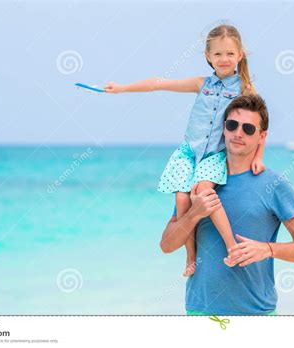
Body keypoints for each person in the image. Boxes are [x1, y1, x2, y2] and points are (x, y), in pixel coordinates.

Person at [104, 25, 265, 276]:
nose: (224, 59)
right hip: (189, 152)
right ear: (208, 57)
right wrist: (122, 88)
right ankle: (191, 254)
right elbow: (158, 84)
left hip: (214, 154)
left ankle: (232, 245)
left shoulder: (244, 89)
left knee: (202, 193)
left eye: (230, 54)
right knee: (181, 198)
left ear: (240, 55)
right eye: (218, 54)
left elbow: (261, 124)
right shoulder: (201, 83)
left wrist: (258, 157)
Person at [160, 94, 294, 315]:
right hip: (200, 311)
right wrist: (194, 213)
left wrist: (267, 249)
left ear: (262, 136)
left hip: (256, 314)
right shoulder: (198, 181)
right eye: (232, 125)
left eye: (248, 129)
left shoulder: (275, 185)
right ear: (223, 128)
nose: (238, 133)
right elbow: (167, 245)